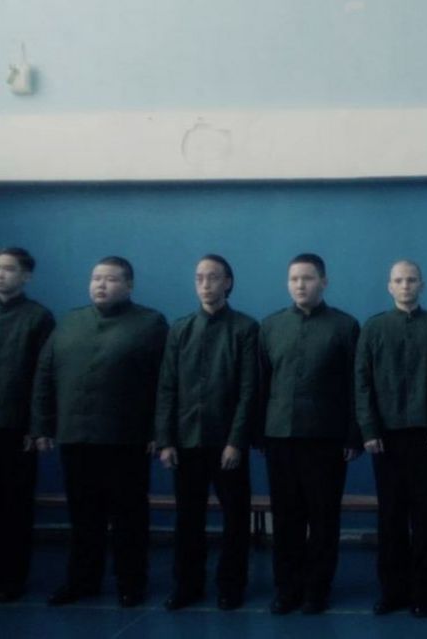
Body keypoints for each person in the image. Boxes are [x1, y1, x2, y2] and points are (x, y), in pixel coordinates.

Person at [31, 256, 168, 608]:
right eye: (95, 278)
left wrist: (159, 431)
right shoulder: (70, 322)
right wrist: (42, 425)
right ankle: (82, 581)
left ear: (129, 285)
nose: (101, 285)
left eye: (109, 279)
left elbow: (164, 383)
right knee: (83, 516)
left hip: (127, 439)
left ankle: (131, 582)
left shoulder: (150, 323)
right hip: (76, 436)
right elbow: (45, 375)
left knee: (129, 517)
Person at [258, 253, 360, 615]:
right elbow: (261, 384)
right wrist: (260, 435)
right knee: (285, 519)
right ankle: (287, 589)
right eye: (294, 279)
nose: (300, 285)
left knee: (323, 519)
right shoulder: (270, 327)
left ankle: (317, 590)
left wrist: (353, 436)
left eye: (308, 278)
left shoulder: (345, 326)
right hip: (280, 438)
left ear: (324, 282)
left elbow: (355, 386)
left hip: (326, 440)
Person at [356, 260, 427, 618]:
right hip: (384, 440)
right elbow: (363, 383)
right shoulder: (373, 328)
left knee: (426, 519)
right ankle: (392, 591)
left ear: (422, 285)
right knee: (390, 520)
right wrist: (368, 431)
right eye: (398, 280)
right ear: (389, 286)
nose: (405, 286)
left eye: (411, 280)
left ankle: (421, 593)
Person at [154, 255, 257, 611]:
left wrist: (236, 441)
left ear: (227, 282)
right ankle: (187, 585)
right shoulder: (180, 329)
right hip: (186, 442)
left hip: (226, 443)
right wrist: (165, 440)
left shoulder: (245, 328)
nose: (205, 284)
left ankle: (231, 585)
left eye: (213, 277)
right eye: (199, 277)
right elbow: (166, 387)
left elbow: (248, 390)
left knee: (235, 519)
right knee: (188, 520)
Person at [0, 247, 54, 602]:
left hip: (15, 429)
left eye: (8, 269)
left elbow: (43, 378)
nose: (1, 274)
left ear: (26, 276)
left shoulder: (38, 318)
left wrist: (37, 428)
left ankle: (10, 579)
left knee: (13, 507)